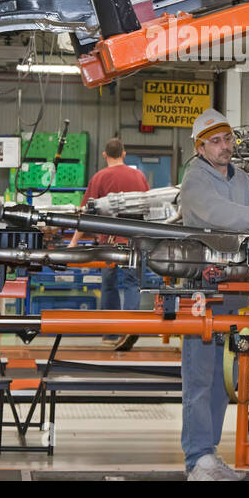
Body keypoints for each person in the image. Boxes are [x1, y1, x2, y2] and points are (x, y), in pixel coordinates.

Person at [177, 108, 249, 481]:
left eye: (228, 139)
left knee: (225, 378)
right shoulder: (195, 180)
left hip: (238, 288)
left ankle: (210, 457)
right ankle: (197, 460)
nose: (226, 147)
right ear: (201, 147)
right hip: (205, 287)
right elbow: (218, 214)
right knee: (199, 376)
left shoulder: (240, 178)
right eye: (217, 141)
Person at [68, 138, 149, 345]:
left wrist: (73, 242)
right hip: (135, 242)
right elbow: (149, 209)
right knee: (133, 284)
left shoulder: (99, 178)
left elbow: (85, 214)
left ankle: (111, 332)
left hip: (109, 244)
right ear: (123, 153)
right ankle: (130, 329)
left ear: (105, 155)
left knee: (109, 284)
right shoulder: (139, 176)